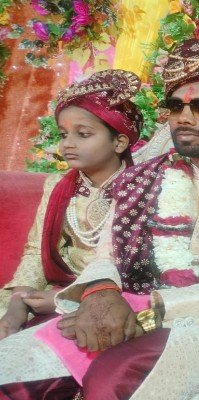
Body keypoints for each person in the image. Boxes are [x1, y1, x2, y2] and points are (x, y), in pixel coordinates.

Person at [0, 36, 199, 400]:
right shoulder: (139, 178)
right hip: (122, 307)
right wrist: (100, 294)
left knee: (111, 382)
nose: (185, 117)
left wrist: (151, 310)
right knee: (11, 372)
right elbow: (106, 256)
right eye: (176, 106)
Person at [0, 69, 142, 339]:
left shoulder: (141, 188)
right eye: (63, 134)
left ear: (119, 142)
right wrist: (18, 302)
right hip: (52, 289)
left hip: (112, 298)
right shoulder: (58, 186)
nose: (68, 144)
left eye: (83, 134)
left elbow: (138, 268)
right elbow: (36, 252)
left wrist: (66, 298)